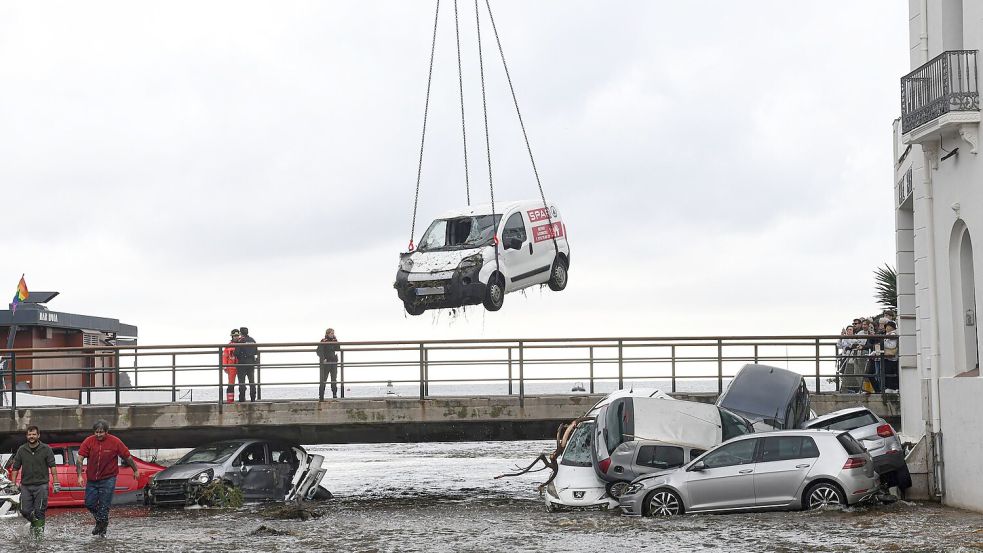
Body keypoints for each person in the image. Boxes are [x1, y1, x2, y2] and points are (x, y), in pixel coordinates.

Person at [76, 420, 139, 536]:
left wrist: (135, 470)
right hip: (92, 479)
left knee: (104, 506)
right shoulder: (89, 441)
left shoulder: (115, 442)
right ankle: (101, 522)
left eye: (101, 432)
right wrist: (79, 475)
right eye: (96, 432)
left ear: (107, 432)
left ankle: (102, 533)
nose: (98, 435)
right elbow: (80, 459)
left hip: (108, 478)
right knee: (89, 503)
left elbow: (127, 456)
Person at [9, 425, 60, 537]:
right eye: (29, 434)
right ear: (27, 436)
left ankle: (38, 536)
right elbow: (15, 468)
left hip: (41, 485)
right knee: (24, 510)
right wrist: (13, 484)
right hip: (26, 486)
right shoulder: (22, 450)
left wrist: (56, 482)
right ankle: (35, 525)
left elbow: (53, 466)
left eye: (34, 434)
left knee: (40, 511)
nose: (31, 436)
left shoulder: (46, 449)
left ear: (38, 435)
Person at [234, 326, 258, 402]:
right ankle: (253, 398)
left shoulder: (240, 341)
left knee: (242, 382)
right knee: (252, 381)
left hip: (242, 363)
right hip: (251, 363)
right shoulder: (252, 340)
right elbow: (255, 352)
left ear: (241, 333)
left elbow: (236, 353)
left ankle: (242, 398)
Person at [317, 328, 340, 400]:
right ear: (327, 334)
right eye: (331, 333)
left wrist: (336, 341)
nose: (333, 335)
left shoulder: (334, 341)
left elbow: (338, 349)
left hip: (333, 362)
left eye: (333, 333)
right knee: (324, 379)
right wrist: (323, 358)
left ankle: (334, 394)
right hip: (326, 362)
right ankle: (321, 396)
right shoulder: (323, 341)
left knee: (334, 379)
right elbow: (318, 351)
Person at [223, 329, 240, 404]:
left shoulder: (242, 344)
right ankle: (230, 400)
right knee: (231, 384)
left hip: (240, 366)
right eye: (235, 336)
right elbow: (224, 356)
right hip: (231, 367)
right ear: (232, 336)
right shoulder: (228, 346)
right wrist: (225, 366)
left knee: (241, 383)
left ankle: (241, 398)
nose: (236, 337)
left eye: (237, 336)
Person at [882, 321, 900, 392]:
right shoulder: (888, 334)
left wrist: (883, 343)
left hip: (892, 357)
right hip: (888, 356)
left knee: (890, 372)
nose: (886, 328)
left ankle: (892, 387)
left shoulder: (893, 334)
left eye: (887, 326)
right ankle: (889, 387)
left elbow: (892, 345)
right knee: (887, 372)